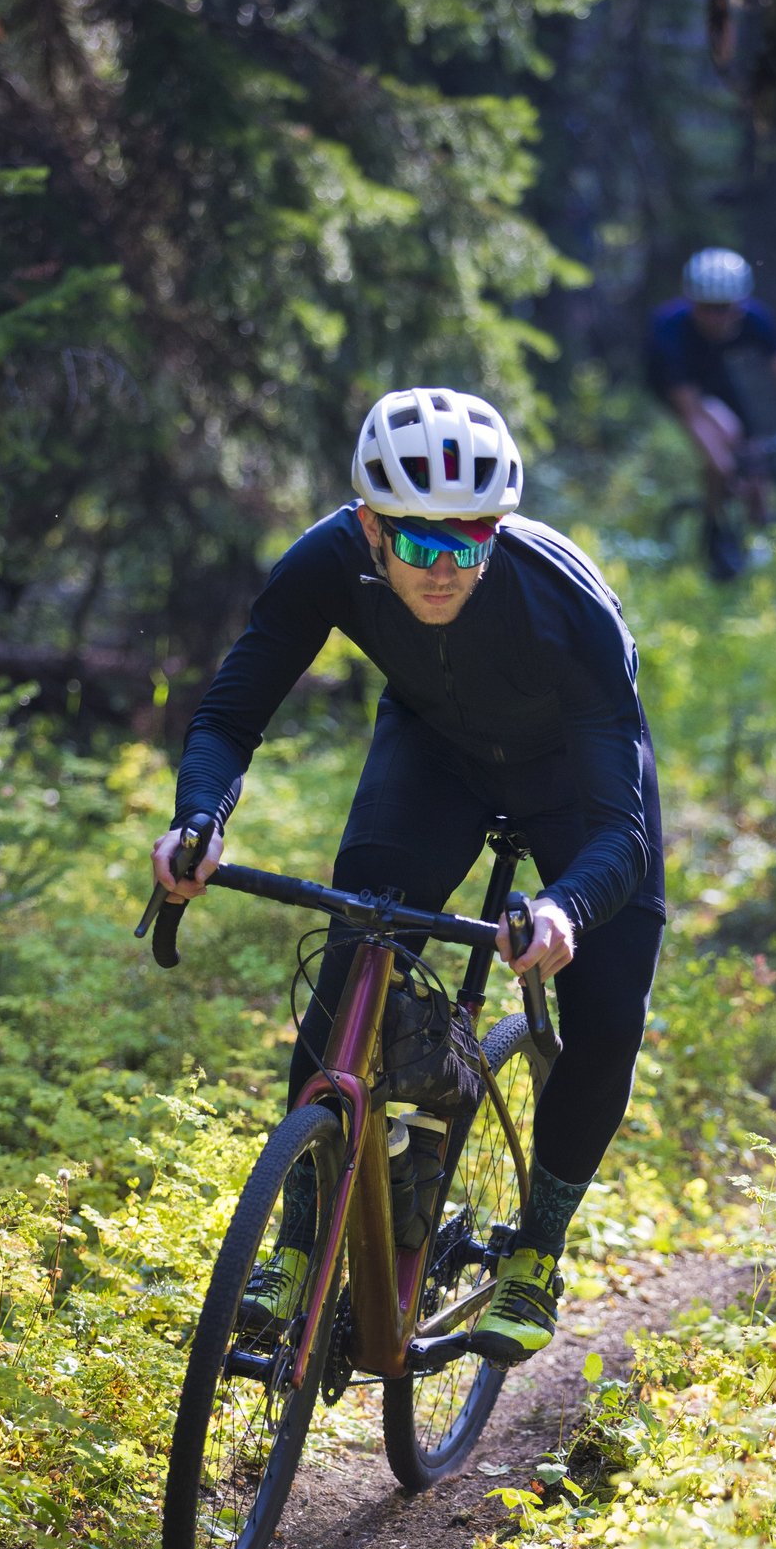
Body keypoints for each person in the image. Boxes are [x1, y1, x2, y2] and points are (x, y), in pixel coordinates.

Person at [151, 386, 665, 1367]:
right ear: (368, 527)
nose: (444, 569)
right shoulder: (326, 562)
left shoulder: (567, 608)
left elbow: (619, 834)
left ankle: (535, 1255)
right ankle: (298, 1247)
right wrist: (199, 821)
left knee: (605, 1016)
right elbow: (229, 717)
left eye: (469, 542)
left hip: (576, 786)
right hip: (436, 751)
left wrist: (562, 907)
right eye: (420, 545)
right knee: (355, 954)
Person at [646, 246, 776, 581]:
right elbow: (693, 412)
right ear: (692, 303)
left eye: (724, 309)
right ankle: (715, 528)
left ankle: (758, 546)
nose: (716, 319)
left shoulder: (756, 318)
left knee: (754, 458)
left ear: (740, 304)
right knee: (723, 455)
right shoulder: (669, 329)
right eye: (706, 309)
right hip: (679, 387)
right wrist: (721, 464)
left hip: (718, 379)